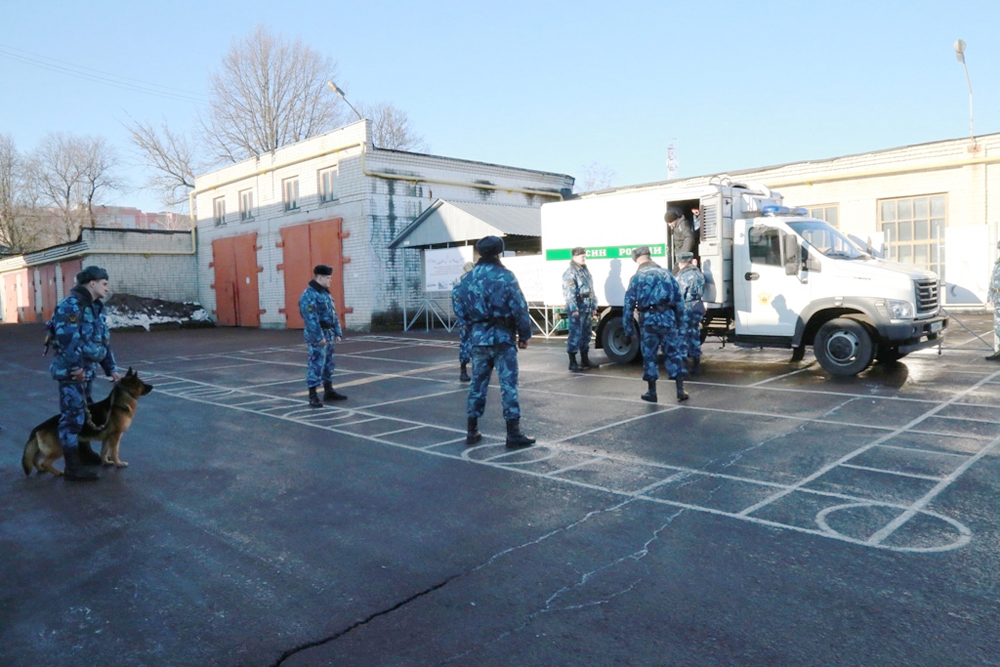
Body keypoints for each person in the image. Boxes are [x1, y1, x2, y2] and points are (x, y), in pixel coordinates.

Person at [452, 235, 535, 448]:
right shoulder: (505, 276)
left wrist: (470, 326)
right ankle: (513, 433)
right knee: (508, 384)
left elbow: (458, 303)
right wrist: (524, 335)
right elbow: (519, 307)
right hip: (503, 337)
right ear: (499, 252)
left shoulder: (468, 278)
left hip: (479, 338)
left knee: (477, 384)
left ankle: (472, 430)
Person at [48, 265, 121, 481]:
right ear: (92, 283)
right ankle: (72, 467)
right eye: (104, 284)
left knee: (84, 412)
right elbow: (68, 340)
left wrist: (111, 368)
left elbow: (102, 340)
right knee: (72, 417)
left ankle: (84, 452)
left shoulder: (96, 307)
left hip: (87, 372)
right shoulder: (70, 306)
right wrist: (76, 369)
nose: (107, 288)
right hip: (73, 373)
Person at [622, 246, 689, 403]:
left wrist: (628, 330)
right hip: (668, 318)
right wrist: (681, 323)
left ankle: (652, 392)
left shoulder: (637, 277)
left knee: (649, 355)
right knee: (673, 353)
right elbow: (679, 300)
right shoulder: (667, 274)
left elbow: (628, 306)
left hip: (649, 321)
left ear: (638, 259)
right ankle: (680, 390)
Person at [299, 265, 346, 407]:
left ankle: (328, 390)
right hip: (318, 335)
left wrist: (338, 332)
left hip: (329, 333)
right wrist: (319, 337)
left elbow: (333, 314)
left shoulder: (325, 293)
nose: (330, 281)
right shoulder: (309, 295)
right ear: (319, 278)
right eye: (327, 278)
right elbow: (310, 318)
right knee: (316, 364)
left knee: (328, 363)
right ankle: (312, 395)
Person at [562, 246, 598, 371]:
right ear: (575, 257)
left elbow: (591, 290)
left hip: (587, 306)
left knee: (586, 334)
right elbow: (569, 292)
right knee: (575, 334)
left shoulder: (584, 271)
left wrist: (594, 306)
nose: (584, 258)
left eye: (584, 255)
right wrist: (573, 309)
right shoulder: (571, 272)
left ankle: (584, 359)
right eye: (582, 256)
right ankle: (572, 362)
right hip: (578, 307)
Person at [675, 251, 707, 375]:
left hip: (685, 308)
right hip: (697, 306)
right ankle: (696, 364)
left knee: (682, 337)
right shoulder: (698, 274)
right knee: (694, 335)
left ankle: (682, 367)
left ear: (680, 262)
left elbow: (679, 295)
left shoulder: (682, 276)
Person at [452, 261, 475, 381]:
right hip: (477, 321)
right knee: (478, 346)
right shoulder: (476, 284)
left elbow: (457, 307)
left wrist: (462, 321)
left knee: (465, 345)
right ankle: (477, 372)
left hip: (465, 322)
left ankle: (463, 371)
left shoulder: (458, 286)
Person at [987, 241, 1000, 361]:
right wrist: (990, 297)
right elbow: (992, 281)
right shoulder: (997, 264)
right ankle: (999, 352)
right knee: (997, 326)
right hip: (997, 297)